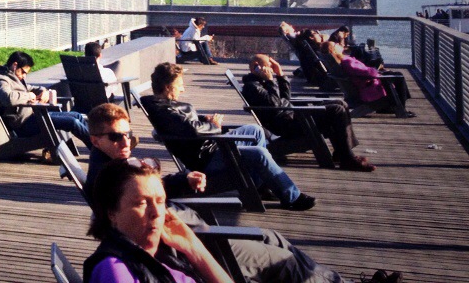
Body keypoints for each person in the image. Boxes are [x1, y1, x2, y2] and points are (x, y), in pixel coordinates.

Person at [84, 104, 363, 283]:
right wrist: (193, 246)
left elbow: (146, 191)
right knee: (284, 264)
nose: (125, 141)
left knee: (273, 237)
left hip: (190, 238)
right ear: (95, 140)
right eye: (115, 137)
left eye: (128, 135)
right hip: (200, 243)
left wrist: (181, 179)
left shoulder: (118, 168)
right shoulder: (105, 182)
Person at [140, 63, 315, 210]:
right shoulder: (162, 109)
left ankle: (258, 184)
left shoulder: (165, 105)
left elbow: (184, 124)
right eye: (180, 85)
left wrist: (203, 119)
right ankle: (292, 197)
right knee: (259, 154)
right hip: (206, 159)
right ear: (168, 87)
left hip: (212, 146)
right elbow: (192, 130)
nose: (183, 89)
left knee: (255, 129)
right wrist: (214, 125)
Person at [84, 159, 234, 283]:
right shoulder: (114, 268)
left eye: (160, 201)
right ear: (112, 213)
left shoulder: (162, 255)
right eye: (142, 203)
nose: (156, 212)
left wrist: (194, 248)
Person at [242, 54, 375, 171]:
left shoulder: (260, 82)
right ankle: (347, 159)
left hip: (291, 117)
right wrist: (271, 81)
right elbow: (275, 105)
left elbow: (285, 99)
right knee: (337, 110)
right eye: (268, 66)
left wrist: (280, 75)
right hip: (287, 125)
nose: (270, 70)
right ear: (256, 66)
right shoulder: (252, 87)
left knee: (340, 103)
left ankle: (343, 152)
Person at [0, 50, 91, 150]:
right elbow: (8, 98)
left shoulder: (14, 77)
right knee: (73, 122)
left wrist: (44, 91)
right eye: (23, 72)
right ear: (15, 65)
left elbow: (30, 88)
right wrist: (29, 96)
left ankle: (96, 143)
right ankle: (98, 150)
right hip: (25, 124)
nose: (24, 76)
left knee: (76, 115)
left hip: (35, 117)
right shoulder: (1, 80)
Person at [325, 42, 413, 114]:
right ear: (334, 50)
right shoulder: (347, 62)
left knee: (394, 74)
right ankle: (401, 109)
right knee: (398, 76)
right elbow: (368, 72)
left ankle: (388, 108)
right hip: (369, 89)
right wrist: (377, 70)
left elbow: (362, 72)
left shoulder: (345, 61)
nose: (338, 44)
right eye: (335, 44)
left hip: (364, 85)